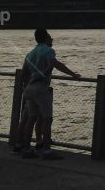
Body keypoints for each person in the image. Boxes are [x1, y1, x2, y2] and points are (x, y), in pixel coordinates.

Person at [14, 29, 82, 159]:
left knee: (31, 118)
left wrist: (27, 86)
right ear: (46, 38)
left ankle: (26, 149)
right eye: (50, 37)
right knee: (47, 119)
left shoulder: (30, 54)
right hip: (41, 88)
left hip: (30, 88)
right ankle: (47, 151)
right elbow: (56, 64)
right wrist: (73, 75)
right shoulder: (48, 50)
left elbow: (23, 73)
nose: (52, 39)